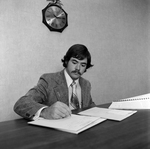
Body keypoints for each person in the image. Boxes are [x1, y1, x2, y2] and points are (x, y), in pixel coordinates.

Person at [14, 44, 96, 120]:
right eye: (74, 62)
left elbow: (90, 107)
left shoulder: (86, 84)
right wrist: (45, 111)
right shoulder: (48, 80)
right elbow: (21, 104)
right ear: (66, 61)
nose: (78, 68)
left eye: (83, 65)